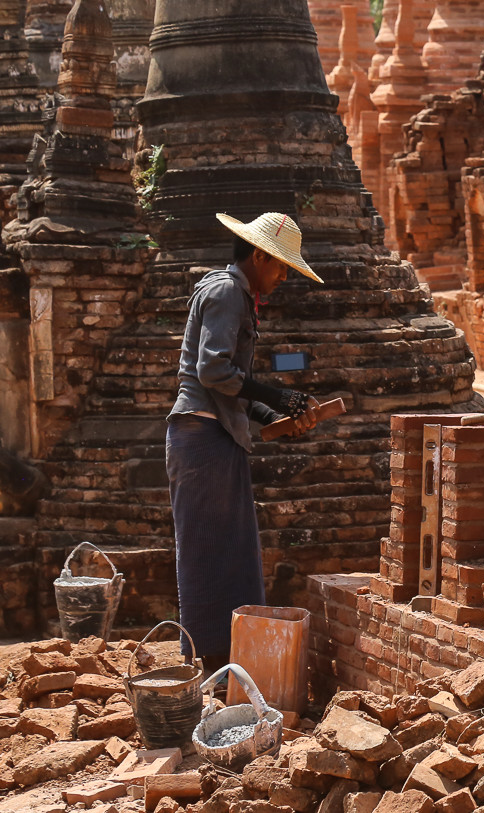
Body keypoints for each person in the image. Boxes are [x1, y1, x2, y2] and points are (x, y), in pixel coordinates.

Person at [166, 211, 323, 672]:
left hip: (216, 435)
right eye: (279, 267)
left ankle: (229, 662)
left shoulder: (234, 293)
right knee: (207, 554)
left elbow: (231, 386)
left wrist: (275, 414)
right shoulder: (226, 291)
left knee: (234, 554)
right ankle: (210, 665)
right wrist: (278, 394)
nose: (280, 277)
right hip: (202, 439)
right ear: (258, 255)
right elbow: (212, 371)